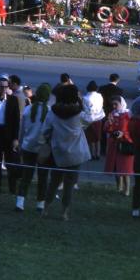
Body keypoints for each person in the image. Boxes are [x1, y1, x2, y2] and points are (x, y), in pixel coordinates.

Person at [42, 84, 91, 221]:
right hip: (75, 154)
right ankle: (64, 213)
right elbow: (90, 118)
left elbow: (45, 131)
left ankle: (46, 209)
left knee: (54, 182)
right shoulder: (78, 114)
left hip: (58, 152)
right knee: (69, 185)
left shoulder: (53, 113)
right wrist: (81, 102)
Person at [15, 83, 51, 212]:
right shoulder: (50, 111)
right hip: (43, 150)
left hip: (27, 146)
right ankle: (40, 204)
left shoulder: (28, 109)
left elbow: (22, 130)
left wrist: (19, 143)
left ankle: (20, 202)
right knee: (43, 177)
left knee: (26, 176)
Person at [104, 96, 134, 196]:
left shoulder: (128, 114)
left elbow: (132, 130)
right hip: (114, 144)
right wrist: (109, 123)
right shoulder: (112, 114)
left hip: (125, 144)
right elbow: (107, 129)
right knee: (116, 167)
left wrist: (124, 134)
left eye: (116, 104)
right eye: (113, 104)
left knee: (125, 168)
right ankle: (119, 188)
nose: (114, 106)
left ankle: (127, 190)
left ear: (121, 103)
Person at [81, 81, 105, 160]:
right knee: (98, 137)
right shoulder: (100, 96)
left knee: (90, 138)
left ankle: (92, 154)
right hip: (98, 118)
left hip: (89, 119)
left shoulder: (85, 98)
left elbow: (84, 109)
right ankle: (97, 153)